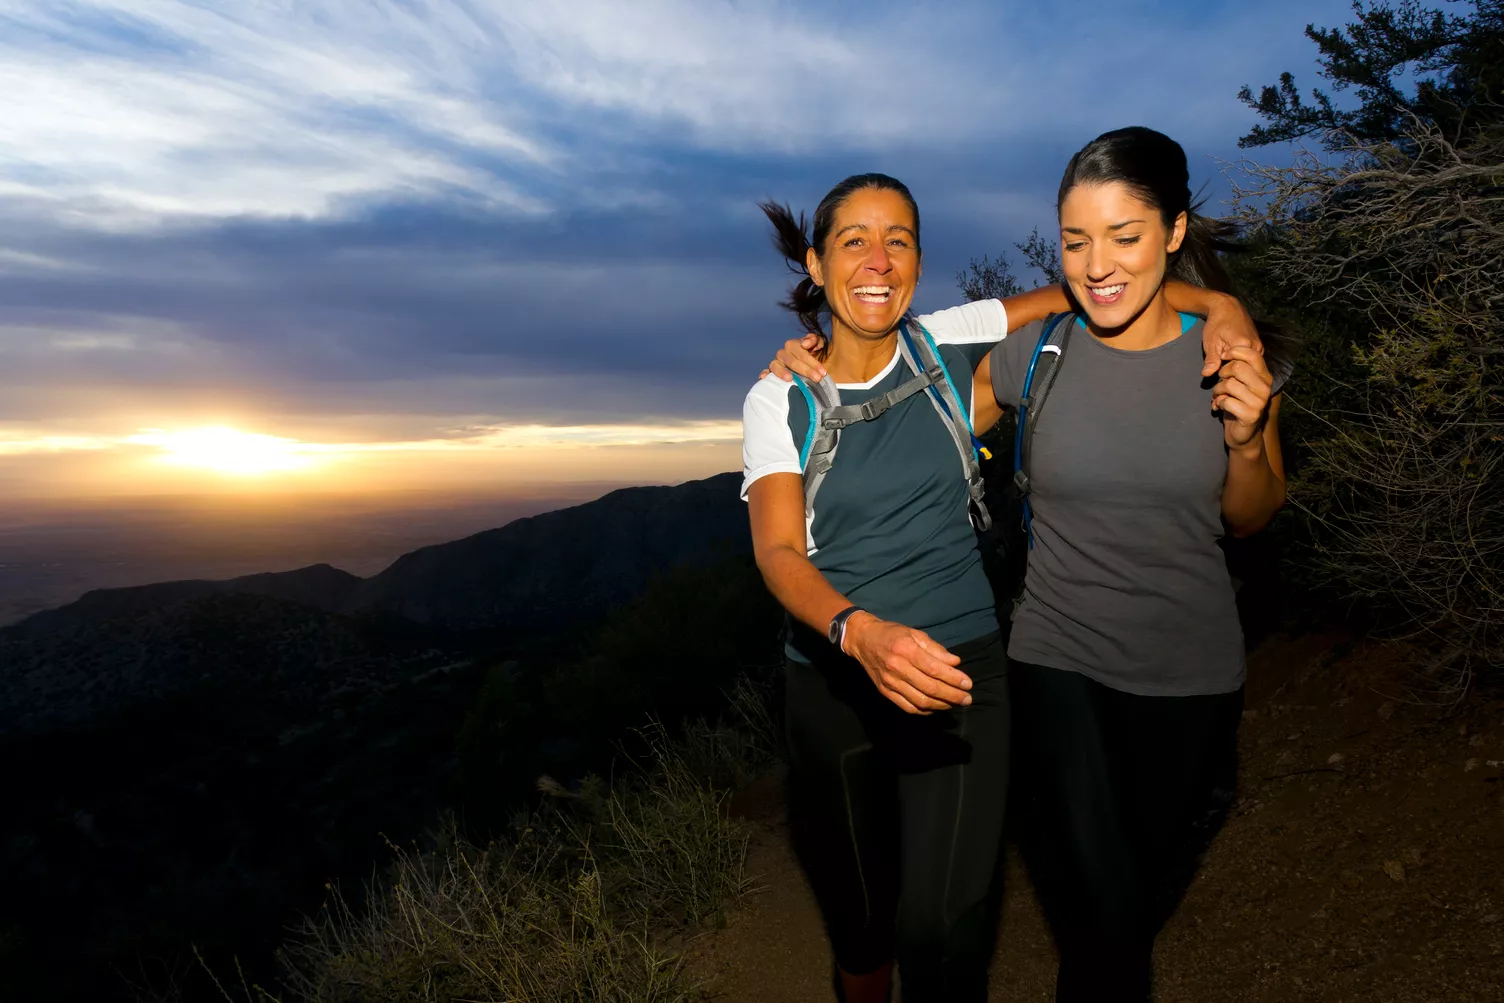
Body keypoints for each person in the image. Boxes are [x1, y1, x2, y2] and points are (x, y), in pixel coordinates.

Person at [745, 169, 1266, 1002]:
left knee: (942, 932)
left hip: (964, 672)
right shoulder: (779, 396)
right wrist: (858, 631)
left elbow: (1094, 286)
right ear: (815, 263)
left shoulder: (946, 337)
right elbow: (777, 552)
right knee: (861, 925)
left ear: (917, 261)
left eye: (900, 241)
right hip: (835, 681)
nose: (879, 259)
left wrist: (1224, 308)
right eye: (854, 241)